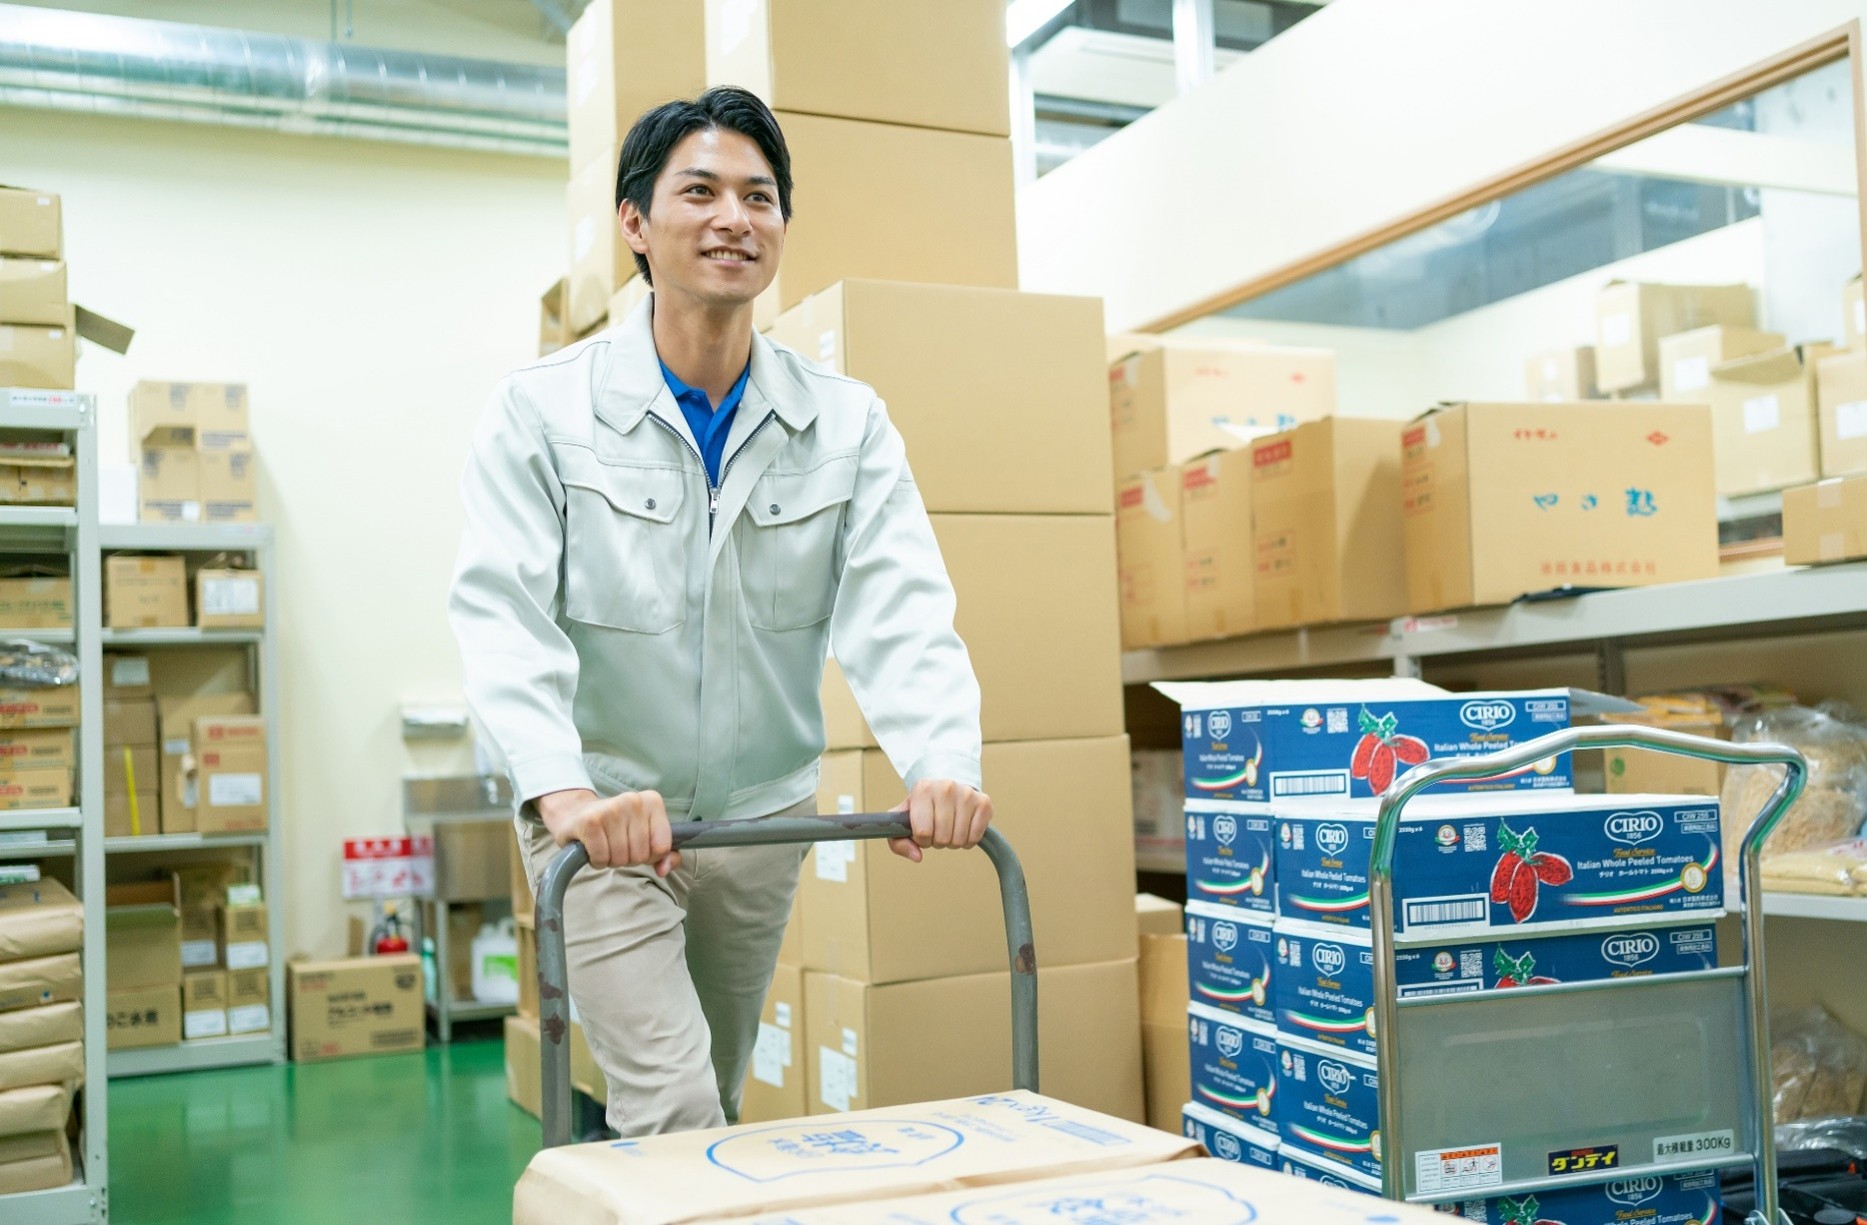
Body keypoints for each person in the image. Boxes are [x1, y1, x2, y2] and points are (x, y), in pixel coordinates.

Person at [447, 86, 992, 1137]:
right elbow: (499, 610)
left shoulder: (843, 422)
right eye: (699, 191)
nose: (733, 217)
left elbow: (901, 604)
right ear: (636, 224)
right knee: (677, 1105)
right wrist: (561, 793)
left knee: (718, 1092)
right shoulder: (541, 413)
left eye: (760, 195)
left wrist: (942, 761)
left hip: (759, 819)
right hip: (605, 817)